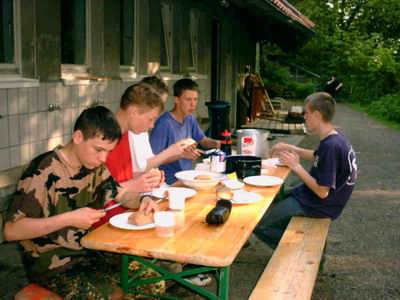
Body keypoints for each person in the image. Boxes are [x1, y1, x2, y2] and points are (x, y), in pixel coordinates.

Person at [4, 106, 161, 299]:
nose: (103, 158)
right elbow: (11, 231)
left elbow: (119, 193)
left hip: (89, 251)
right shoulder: (43, 170)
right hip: (53, 263)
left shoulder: (94, 165)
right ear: (78, 137)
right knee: (114, 296)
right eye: (98, 150)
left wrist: (142, 199)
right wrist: (69, 219)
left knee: (149, 281)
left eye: (108, 152)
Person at [254, 92, 357, 249]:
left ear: (317, 114)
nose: (304, 117)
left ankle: (302, 249)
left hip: (318, 205)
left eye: (306, 113)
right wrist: (290, 147)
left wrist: (296, 166)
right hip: (312, 197)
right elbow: (316, 156)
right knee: (273, 197)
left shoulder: (331, 146)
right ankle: (291, 237)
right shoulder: (335, 137)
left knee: (260, 225)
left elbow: (322, 192)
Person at [150, 78, 221, 185]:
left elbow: (203, 140)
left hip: (187, 175)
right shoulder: (164, 123)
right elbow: (153, 160)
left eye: (195, 99)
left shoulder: (190, 118)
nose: (193, 104)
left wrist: (220, 143)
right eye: (188, 100)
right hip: (170, 180)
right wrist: (182, 155)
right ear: (176, 100)